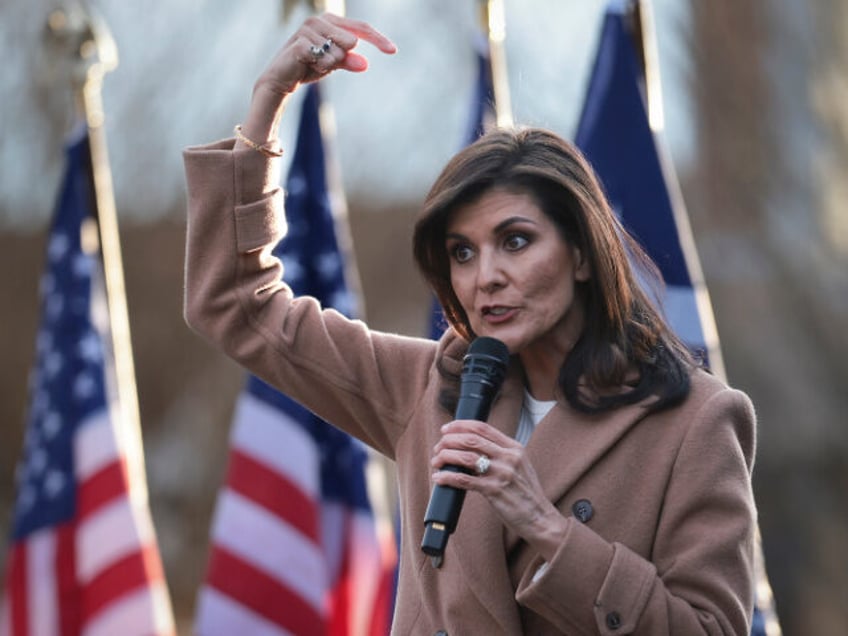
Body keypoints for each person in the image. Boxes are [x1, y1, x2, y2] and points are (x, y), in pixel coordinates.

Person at [183, 13, 757, 635]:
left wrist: (547, 527)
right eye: (462, 252)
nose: (485, 277)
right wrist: (268, 103)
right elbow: (237, 303)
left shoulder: (695, 420)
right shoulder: (427, 388)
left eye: (515, 241)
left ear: (585, 255)